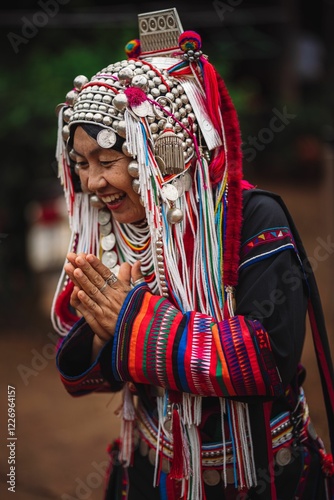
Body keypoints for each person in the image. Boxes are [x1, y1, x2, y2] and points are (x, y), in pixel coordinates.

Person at [53, 8, 334, 500]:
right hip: (149, 473)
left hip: (256, 481)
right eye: (81, 164)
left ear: (160, 151)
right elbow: (93, 375)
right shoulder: (120, 229)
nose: (93, 183)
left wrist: (135, 323)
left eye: (108, 160)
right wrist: (105, 336)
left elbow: (269, 361)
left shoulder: (253, 220)